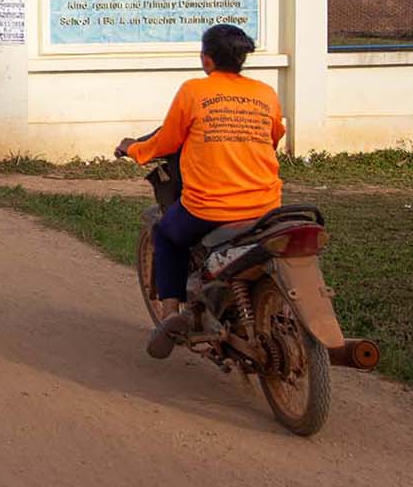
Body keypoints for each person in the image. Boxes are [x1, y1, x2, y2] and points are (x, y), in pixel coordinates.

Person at [115, 24, 286, 358]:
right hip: (266, 206)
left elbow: (166, 142)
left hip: (208, 207)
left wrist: (133, 148)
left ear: (207, 59)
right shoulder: (265, 93)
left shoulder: (193, 91)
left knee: (165, 234)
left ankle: (169, 317)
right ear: (242, 58)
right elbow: (273, 137)